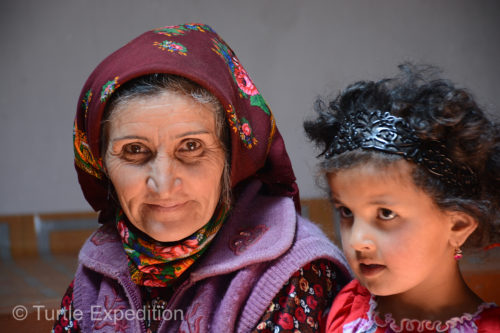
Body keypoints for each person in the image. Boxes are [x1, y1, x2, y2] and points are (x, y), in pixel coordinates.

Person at [52, 23, 351, 333]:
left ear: (233, 157)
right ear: (99, 163)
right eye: (135, 150)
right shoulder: (98, 271)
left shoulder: (291, 274)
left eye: (191, 147)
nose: (163, 183)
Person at [304, 64, 500, 332]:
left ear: (458, 226)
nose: (358, 241)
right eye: (347, 212)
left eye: (385, 213)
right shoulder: (347, 309)